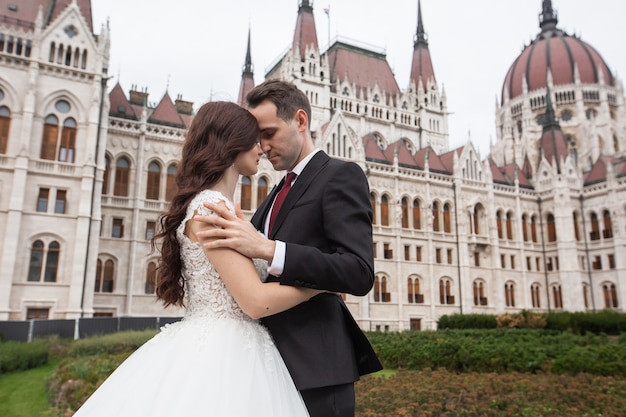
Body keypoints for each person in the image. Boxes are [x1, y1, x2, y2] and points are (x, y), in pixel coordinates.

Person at [73, 101, 322, 417]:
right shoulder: (210, 208)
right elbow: (256, 301)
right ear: (231, 143)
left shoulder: (222, 208)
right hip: (224, 354)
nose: (261, 147)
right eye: (253, 138)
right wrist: (320, 284)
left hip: (228, 344)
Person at [195, 79, 383, 417]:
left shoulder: (341, 176)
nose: (262, 147)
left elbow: (358, 271)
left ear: (300, 120)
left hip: (318, 371)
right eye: (256, 139)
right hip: (264, 370)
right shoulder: (271, 198)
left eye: (268, 133)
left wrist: (270, 250)